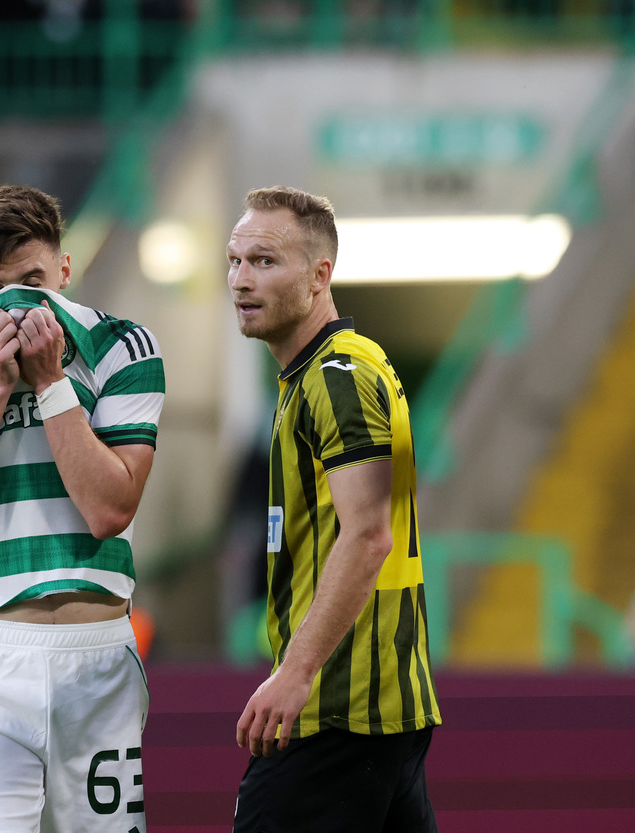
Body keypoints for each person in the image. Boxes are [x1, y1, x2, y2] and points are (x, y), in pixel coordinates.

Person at [0, 184, 165, 832]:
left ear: (65, 271)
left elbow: (109, 509)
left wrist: (49, 382)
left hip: (95, 649)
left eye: (33, 281)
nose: (16, 306)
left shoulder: (122, 343)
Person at [226, 186, 441, 832]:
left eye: (264, 261)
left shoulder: (336, 375)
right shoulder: (319, 375)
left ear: (322, 275)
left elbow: (369, 532)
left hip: (340, 714)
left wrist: (297, 671)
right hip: (379, 715)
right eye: (234, 261)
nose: (240, 279)